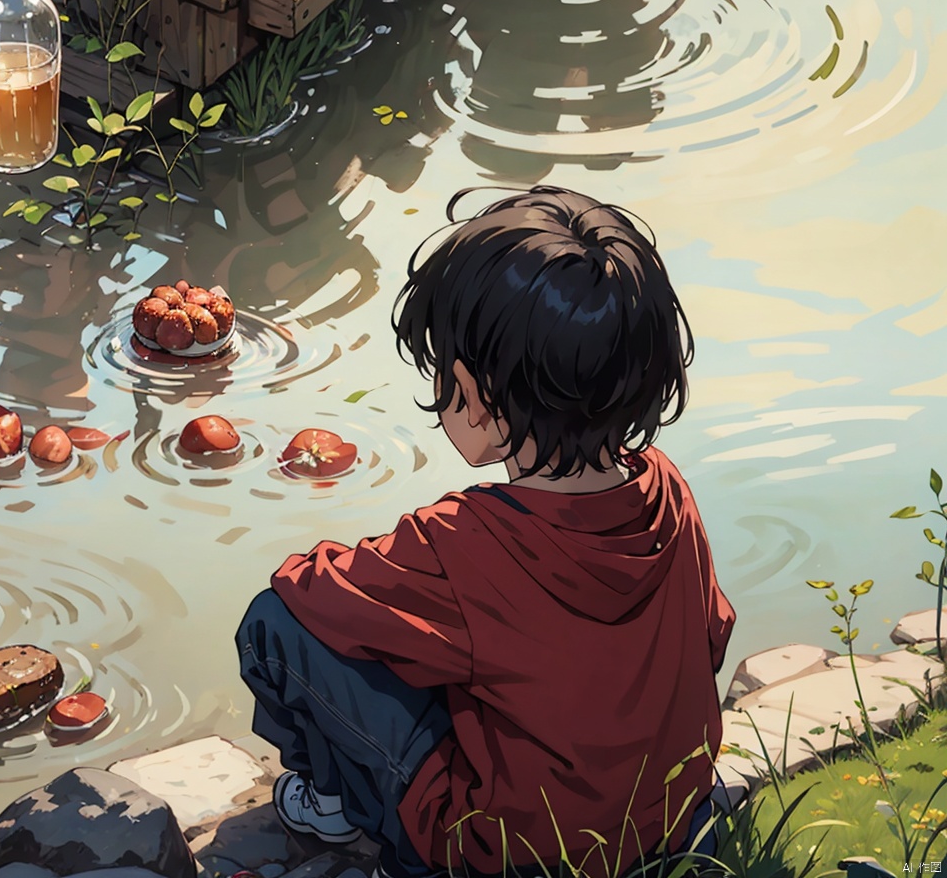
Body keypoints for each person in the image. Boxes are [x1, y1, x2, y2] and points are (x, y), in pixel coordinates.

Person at [236, 184, 733, 878]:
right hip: (663, 821)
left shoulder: (466, 542)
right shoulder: (666, 491)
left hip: (510, 852)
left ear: (477, 395)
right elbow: (712, 633)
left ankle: (334, 806)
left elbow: (304, 593)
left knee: (273, 628)